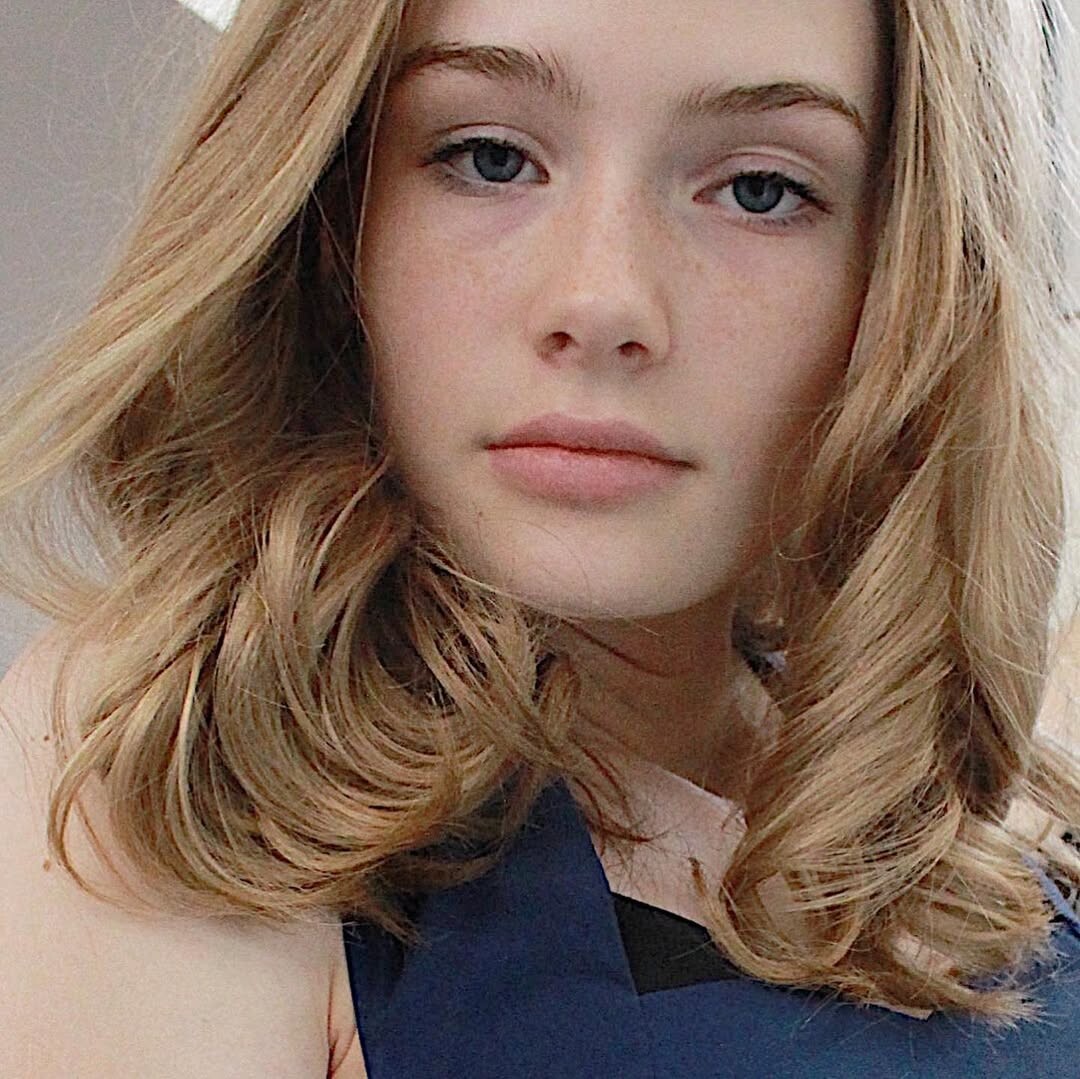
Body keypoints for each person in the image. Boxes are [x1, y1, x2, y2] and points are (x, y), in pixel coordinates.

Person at [2, 0, 1079, 1075]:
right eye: (490, 158)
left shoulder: (966, 811)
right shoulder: (181, 759)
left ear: (902, 277)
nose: (604, 300)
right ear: (332, 219)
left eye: (759, 189)